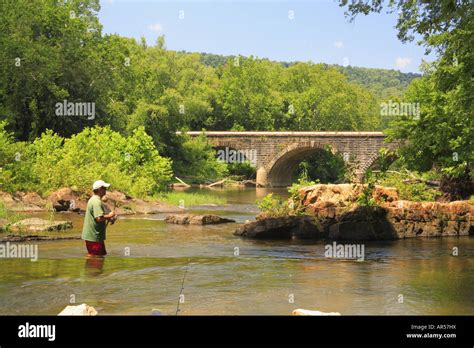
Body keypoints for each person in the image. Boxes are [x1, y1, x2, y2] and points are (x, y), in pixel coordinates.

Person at [81, 180, 117, 256]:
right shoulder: (96, 202)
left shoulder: (94, 199)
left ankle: (90, 267)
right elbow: (99, 218)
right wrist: (110, 216)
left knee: (100, 255)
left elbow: (99, 216)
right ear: (100, 189)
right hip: (93, 237)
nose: (105, 190)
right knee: (95, 257)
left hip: (94, 236)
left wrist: (109, 218)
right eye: (104, 188)